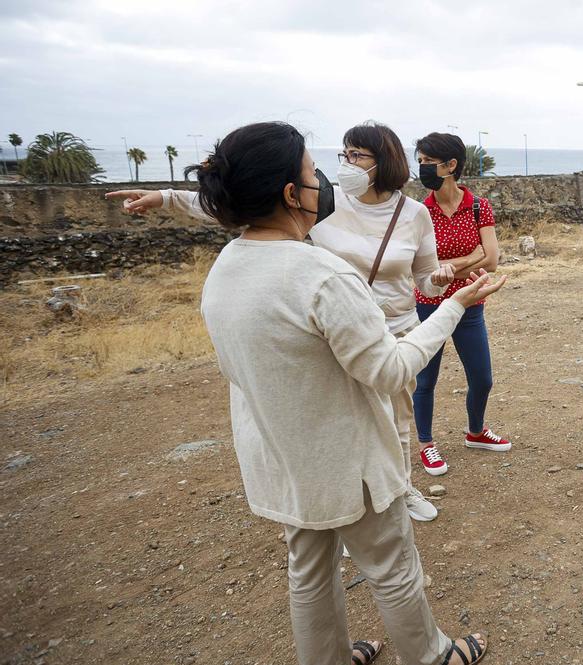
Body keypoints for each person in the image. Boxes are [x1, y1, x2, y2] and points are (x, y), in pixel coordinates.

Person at [107, 121, 499, 665]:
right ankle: (431, 658)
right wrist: (458, 305)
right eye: (316, 173)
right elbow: (388, 371)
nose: (329, 181)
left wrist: (440, 282)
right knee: (392, 566)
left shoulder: (227, 269)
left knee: (309, 569)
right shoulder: (322, 276)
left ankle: (327, 664)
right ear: (292, 195)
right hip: (347, 458)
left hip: (281, 456)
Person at [109, 120, 453, 523]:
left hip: (395, 330)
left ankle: (400, 490)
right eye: (344, 153)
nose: (346, 163)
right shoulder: (324, 201)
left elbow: (425, 282)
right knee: (336, 426)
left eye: (357, 155)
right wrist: (166, 199)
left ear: (386, 161)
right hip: (327, 333)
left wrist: (441, 280)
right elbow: (247, 207)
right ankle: (342, 508)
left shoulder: (414, 215)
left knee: (397, 422)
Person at [409, 132, 509, 476]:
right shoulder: (420, 213)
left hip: (470, 302)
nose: (421, 168)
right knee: (425, 381)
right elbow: (423, 270)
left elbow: (492, 260)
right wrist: (471, 258)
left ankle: (476, 431)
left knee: (482, 378)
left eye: (427, 162)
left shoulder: (479, 206)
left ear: (451, 165)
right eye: (419, 161)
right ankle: (426, 444)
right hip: (429, 304)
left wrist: (449, 268)